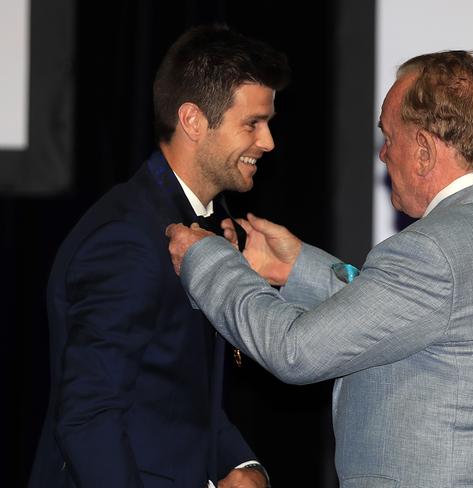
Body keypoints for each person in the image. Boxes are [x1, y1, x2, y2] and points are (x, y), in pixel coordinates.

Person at [167, 51, 473, 486]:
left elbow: (294, 350)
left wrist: (209, 261)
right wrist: (298, 269)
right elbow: (424, 322)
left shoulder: (436, 249)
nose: (384, 155)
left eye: (388, 137)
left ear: (423, 151)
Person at [29, 23, 290, 488]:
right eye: (252, 123)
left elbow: (179, 391)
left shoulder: (208, 218)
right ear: (193, 121)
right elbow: (88, 414)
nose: (268, 142)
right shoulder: (128, 237)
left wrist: (239, 464)